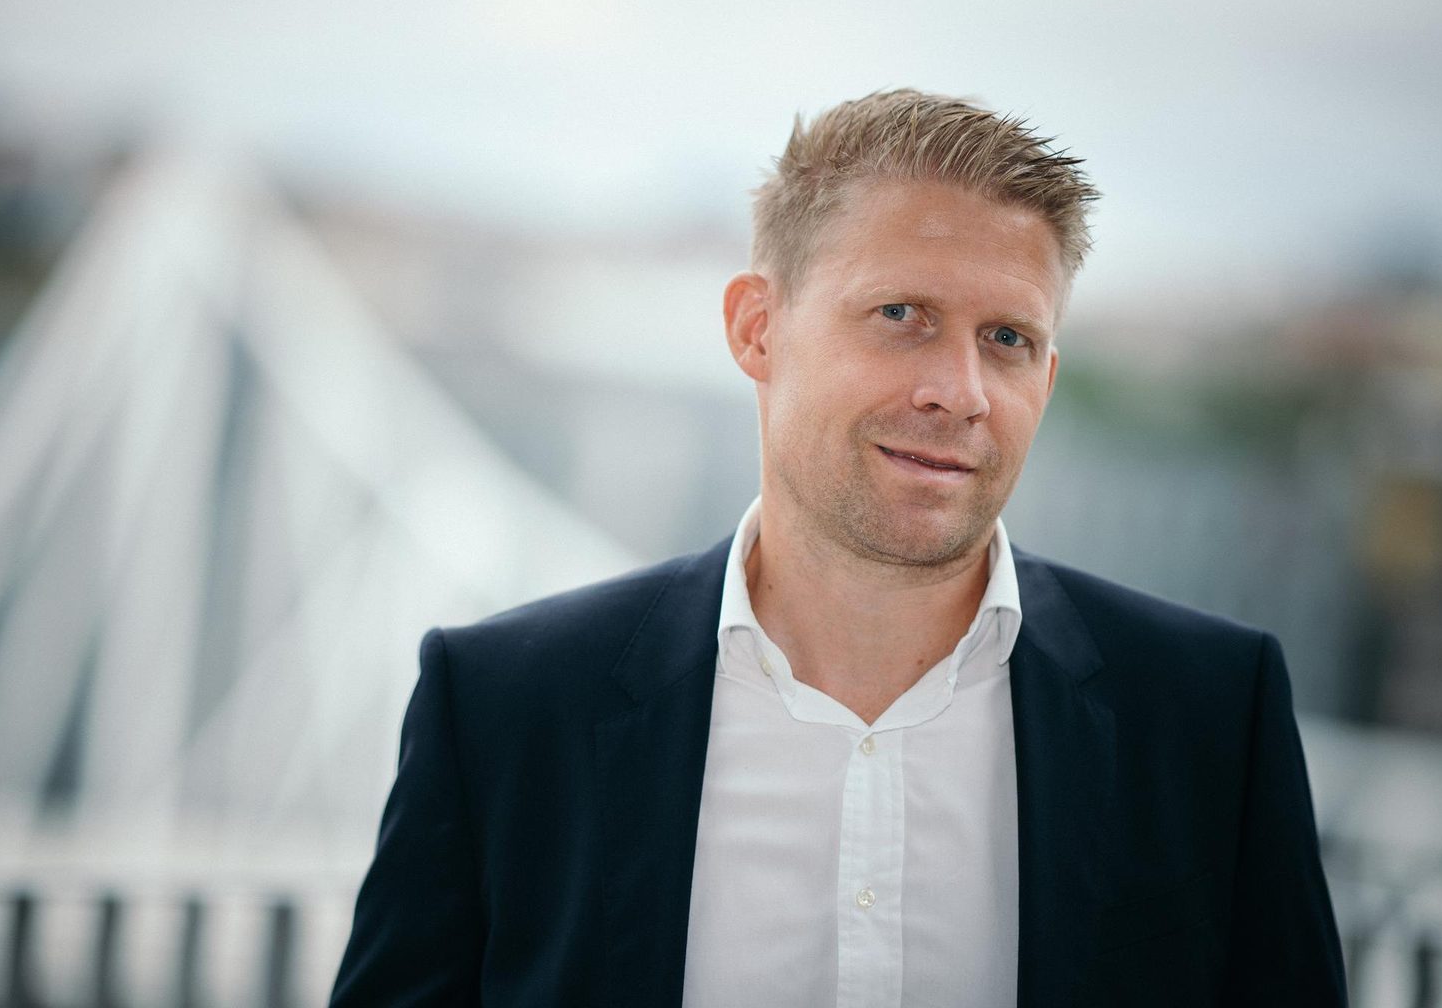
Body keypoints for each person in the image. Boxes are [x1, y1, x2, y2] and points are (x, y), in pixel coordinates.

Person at [328, 89, 1346, 1007]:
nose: (962, 391)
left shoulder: (1211, 717)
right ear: (757, 330)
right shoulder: (505, 706)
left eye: (1009, 340)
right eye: (901, 315)